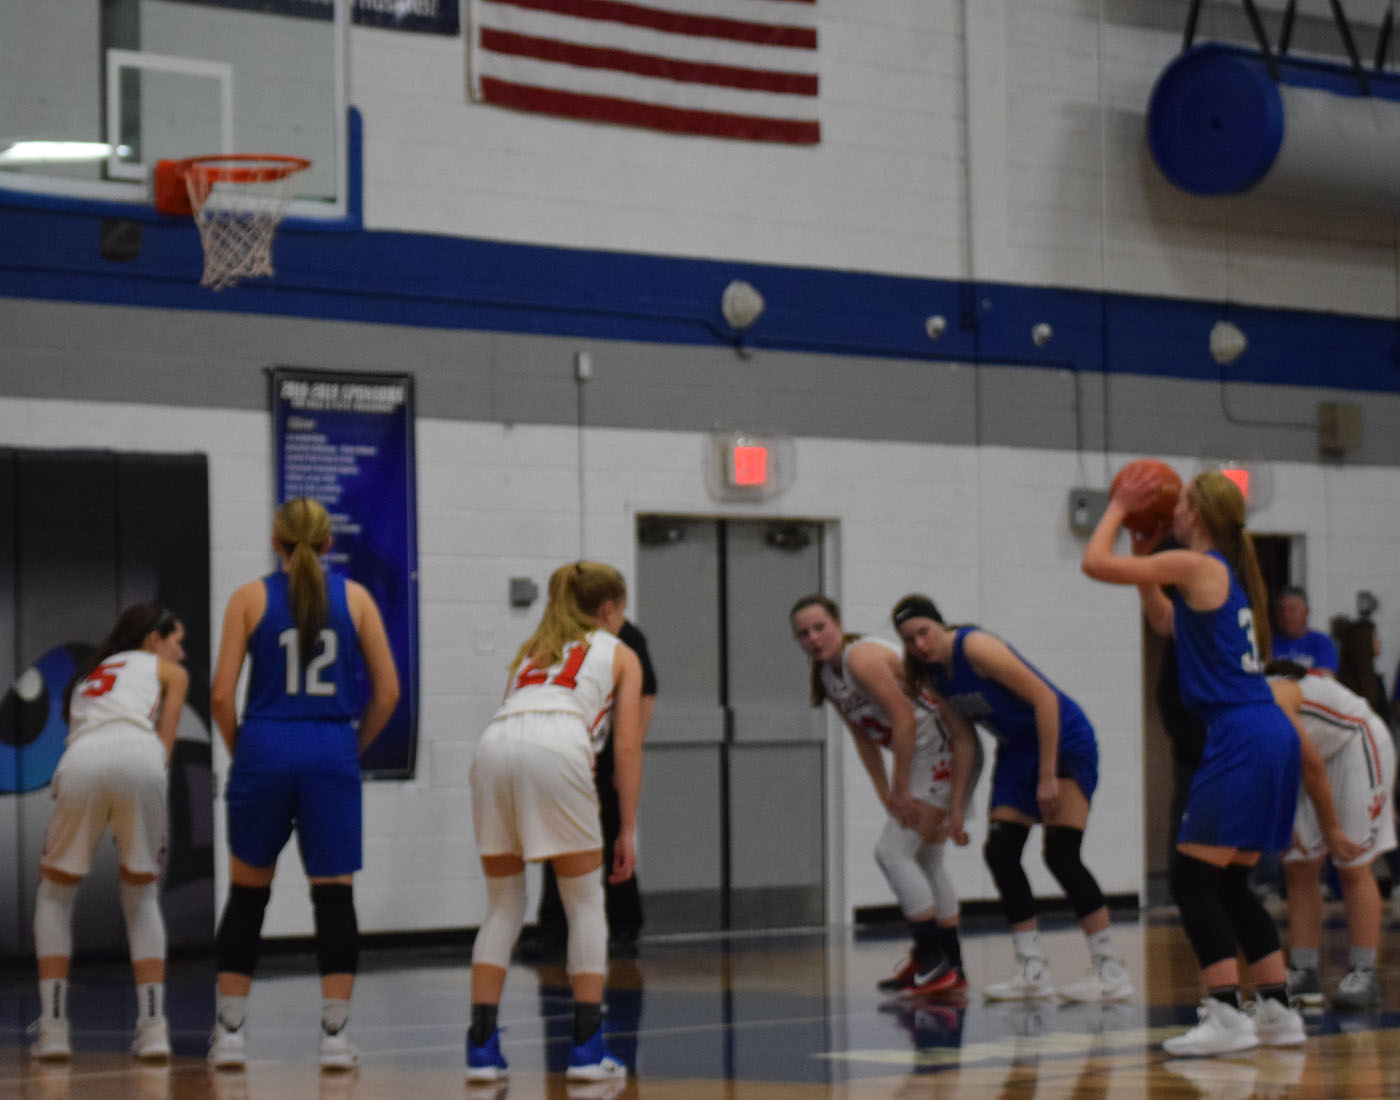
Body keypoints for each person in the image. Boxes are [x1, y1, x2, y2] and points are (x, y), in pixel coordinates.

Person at [1081, 467, 1353, 1055]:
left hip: (1242, 735)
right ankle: (1278, 1011)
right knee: (1229, 882)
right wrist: (1143, 553)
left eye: (1179, 502)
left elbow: (1092, 564)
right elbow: (1164, 622)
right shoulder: (1218, 574)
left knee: (1191, 880)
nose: (1171, 506)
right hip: (1264, 734)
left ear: (1196, 514)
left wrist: (1118, 507)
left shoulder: (1199, 565)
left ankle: (1227, 1015)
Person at [207, 497, 400, 1071]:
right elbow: (388, 694)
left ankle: (232, 1033)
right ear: (329, 545)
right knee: (334, 896)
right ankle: (335, 1037)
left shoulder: (248, 598)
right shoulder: (359, 599)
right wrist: (350, 746)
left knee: (247, 894)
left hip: (265, 743)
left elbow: (220, 696)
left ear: (277, 543)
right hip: (330, 748)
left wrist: (245, 751)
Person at [892, 596, 1133, 1005]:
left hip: (1063, 741)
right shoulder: (935, 676)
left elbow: (1045, 699)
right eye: (909, 639)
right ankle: (1031, 968)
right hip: (1016, 751)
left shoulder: (976, 647)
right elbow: (965, 740)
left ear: (940, 625)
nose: (919, 644)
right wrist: (956, 809)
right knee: (1001, 853)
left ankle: (1109, 968)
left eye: (923, 632)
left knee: (1061, 854)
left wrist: (1047, 776)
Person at [466, 561, 643, 1083]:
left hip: (495, 746)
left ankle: (482, 1050)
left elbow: (514, 712)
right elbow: (627, 746)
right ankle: (587, 1052)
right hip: (560, 744)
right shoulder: (620, 651)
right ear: (609, 609)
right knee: (585, 902)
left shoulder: (531, 652)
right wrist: (627, 827)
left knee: (502, 905)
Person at [789, 594, 980, 997]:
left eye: (819, 627)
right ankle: (951, 965)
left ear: (838, 624)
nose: (813, 638)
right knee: (926, 859)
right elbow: (863, 735)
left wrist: (901, 787)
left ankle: (933, 961)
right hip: (923, 756)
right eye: (803, 634)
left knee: (892, 853)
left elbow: (905, 721)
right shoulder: (827, 675)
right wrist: (883, 792)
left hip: (942, 748)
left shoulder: (862, 659)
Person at [28, 603, 189, 1062]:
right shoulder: (166, 671)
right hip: (139, 754)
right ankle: (154, 1028)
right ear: (153, 639)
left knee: (55, 893)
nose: (180, 650)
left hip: (82, 758)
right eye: (175, 640)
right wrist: (154, 769)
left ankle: (55, 1030)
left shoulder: (88, 674)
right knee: (140, 894)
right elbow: (166, 742)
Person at [521, 620, 657, 962]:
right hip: (568, 756)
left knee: (613, 837)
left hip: (608, 757)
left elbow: (646, 696)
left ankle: (625, 924)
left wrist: (629, 756)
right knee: (557, 841)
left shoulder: (627, 639)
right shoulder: (561, 636)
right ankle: (555, 927)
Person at [1267, 661, 1395, 1009]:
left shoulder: (1271, 698)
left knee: (1351, 862)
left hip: (1356, 742)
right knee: (1298, 864)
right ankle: (1304, 971)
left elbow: (1312, 766)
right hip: (1312, 760)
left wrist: (1332, 829)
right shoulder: (1226, 709)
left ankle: (1363, 972)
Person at [1273, 586, 1339, 675]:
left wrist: (1293, 672)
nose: (1285, 615)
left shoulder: (1321, 641)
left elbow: (1327, 675)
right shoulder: (1267, 642)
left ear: (1306, 612)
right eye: (1281, 610)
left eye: (1292, 610)